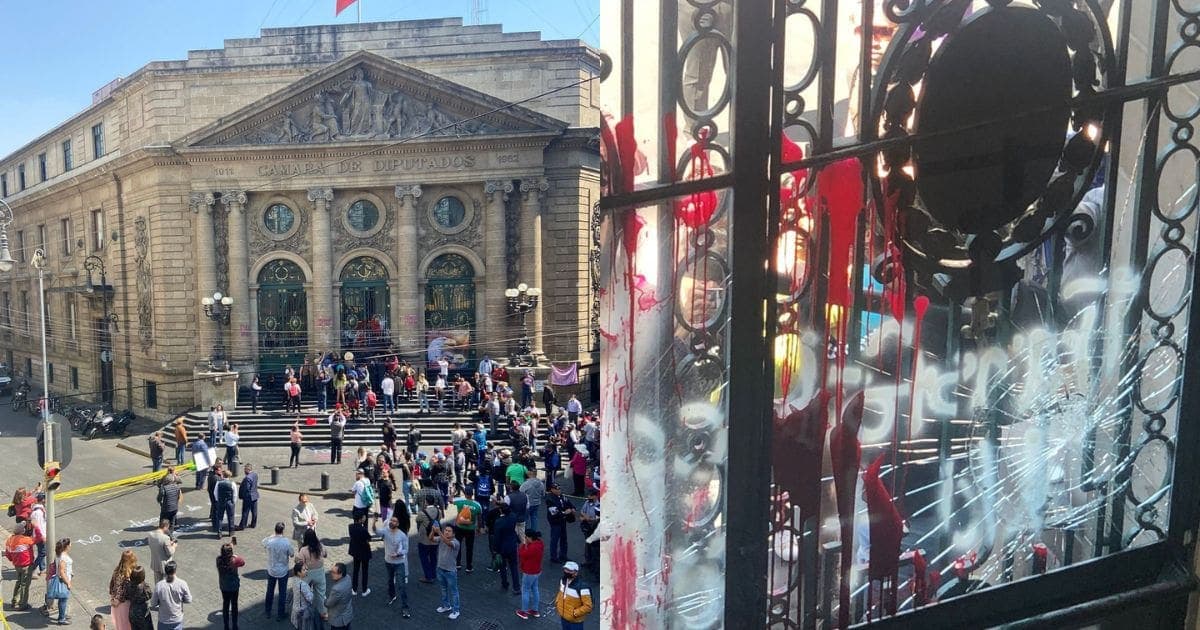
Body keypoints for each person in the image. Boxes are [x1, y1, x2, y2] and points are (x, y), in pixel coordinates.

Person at [376, 514, 411, 617]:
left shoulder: (402, 535)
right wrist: (373, 522)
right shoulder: (386, 531)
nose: (392, 522)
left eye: (394, 521)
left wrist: (398, 554)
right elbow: (376, 531)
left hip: (399, 563)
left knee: (401, 585)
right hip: (388, 562)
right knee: (390, 580)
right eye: (391, 520)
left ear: (398, 524)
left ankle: (405, 608)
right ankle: (392, 596)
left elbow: (406, 550)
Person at [263, 522, 295, 621]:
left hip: (272, 570)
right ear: (283, 531)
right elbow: (292, 554)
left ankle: (267, 611)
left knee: (270, 591)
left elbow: (263, 542)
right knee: (282, 593)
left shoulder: (270, 541)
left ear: (275, 530)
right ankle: (280, 614)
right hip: (283, 571)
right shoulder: (286, 542)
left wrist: (271, 536)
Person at [296, 529, 328, 620]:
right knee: (321, 593)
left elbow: (299, 561)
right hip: (320, 572)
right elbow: (325, 554)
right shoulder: (320, 546)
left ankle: (304, 612)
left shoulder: (303, 549)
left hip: (307, 573)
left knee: (304, 593)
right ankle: (323, 613)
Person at [151, 560, 191, 630]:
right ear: (175, 570)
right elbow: (189, 600)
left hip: (163, 621)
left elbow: (153, 603)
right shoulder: (182, 584)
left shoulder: (159, 585)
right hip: (177, 620)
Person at [434, 524, 462, 620]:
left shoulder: (456, 542)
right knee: (443, 589)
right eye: (445, 530)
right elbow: (431, 539)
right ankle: (446, 606)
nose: (446, 532)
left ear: (453, 534)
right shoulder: (441, 538)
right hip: (440, 568)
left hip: (450, 571)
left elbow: (448, 543)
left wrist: (439, 532)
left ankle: (456, 610)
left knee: (454, 591)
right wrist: (432, 531)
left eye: (449, 531)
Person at [5, 521, 35, 610]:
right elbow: (36, 540)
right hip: (26, 566)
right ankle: (23, 604)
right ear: (22, 531)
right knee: (24, 585)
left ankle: (14, 601)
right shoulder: (25, 539)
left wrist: (14, 559)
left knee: (19, 582)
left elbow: (8, 555)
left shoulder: (9, 540)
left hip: (17, 565)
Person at [451, 486, 482, 573]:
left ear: (465, 494)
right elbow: (480, 518)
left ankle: (458, 564)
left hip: (459, 527)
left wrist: (453, 492)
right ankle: (469, 567)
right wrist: (479, 528)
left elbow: (450, 500)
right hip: (470, 529)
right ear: (472, 494)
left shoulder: (459, 501)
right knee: (469, 548)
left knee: (458, 545)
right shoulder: (477, 505)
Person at [216, 543, 245, 630]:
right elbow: (243, 562)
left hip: (224, 586)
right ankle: (235, 626)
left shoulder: (218, 560)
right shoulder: (234, 560)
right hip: (234, 587)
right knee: (234, 605)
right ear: (231, 552)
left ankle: (226, 626)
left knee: (225, 604)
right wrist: (235, 555)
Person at [555, 561, 593, 629]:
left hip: (575, 622)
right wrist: (557, 603)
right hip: (563, 617)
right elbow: (560, 593)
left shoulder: (583, 587)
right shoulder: (563, 581)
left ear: (576, 572)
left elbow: (588, 606)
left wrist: (574, 613)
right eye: (565, 569)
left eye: (570, 570)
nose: (567, 572)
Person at [494, 503, 522, 595]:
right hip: (512, 545)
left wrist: (496, 549)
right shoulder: (513, 517)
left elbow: (497, 537)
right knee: (514, 566)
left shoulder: (499, 522)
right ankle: (516, 587)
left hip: (502, 547)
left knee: (502, 566)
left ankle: (504, 583)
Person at [516, 530, 544, 619]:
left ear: (529, 537)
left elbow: (521, 554)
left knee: (525, 590)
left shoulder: (531, 548)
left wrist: (523, 545)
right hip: (537, 570)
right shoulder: (540, 543)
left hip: (529, 572)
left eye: (525, 537)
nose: (525, 538)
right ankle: (535, 610)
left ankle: (523, 611)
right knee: (535, 589)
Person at [545, 483, 575, 563]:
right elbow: (554, 512)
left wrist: (572, 508)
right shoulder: (549, 499)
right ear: (552, 490)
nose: (559, 491)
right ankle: (553, 557)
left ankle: (563, 555)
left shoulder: (562, 496)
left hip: (563, 520)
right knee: (554, 539)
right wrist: (565, 512)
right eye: (557, 489)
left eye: (559, 489)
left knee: (564, 539)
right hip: (555, 521)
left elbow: (569, 504)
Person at [415, 498, 442, 583]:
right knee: (433, 556)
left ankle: (428, 576)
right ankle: (433, 574)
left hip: (424, 539)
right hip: (435, 538)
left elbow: (417, 520)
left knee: (424, 557)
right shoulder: (439, 511)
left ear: (426, 502)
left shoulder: (422, 513)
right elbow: (439, 519)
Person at [347, 514, 373, 596]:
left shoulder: (350, 527)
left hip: (355, 551)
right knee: (364, 571)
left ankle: (354, 589)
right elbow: (369, 538)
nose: (365, 518)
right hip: (364, 552)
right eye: (363, 517)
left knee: (356, 570)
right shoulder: (363, 530)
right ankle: (364, 590)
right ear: (360, 519)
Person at [324, 562, 354, 630]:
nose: (331, 574)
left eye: (334, 572)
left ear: (340, 574)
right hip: (347, 614)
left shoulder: (337, 589)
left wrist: (324, 599)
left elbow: (328, 604)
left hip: (338, 620)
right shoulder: (348, 577)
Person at [145, 519, 177, 584]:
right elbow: (170, 552)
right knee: (167, 583)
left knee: (157, 583)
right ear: (165, 526)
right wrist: (174, 546)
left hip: (155, 563)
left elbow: (157, 545)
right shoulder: (165, 538)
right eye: (167, 528)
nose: (167, 530)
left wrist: (168, 544)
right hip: (165, 565)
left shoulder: (150, 535)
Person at [287, 562, 316, 630]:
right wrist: (311, 590)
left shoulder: (294, 580)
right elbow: (310, 598)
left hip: (295, 609)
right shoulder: (303, 585)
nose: (306, 571)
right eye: (304, 570)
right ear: (299, 573)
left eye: (306, 569)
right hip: (303, 611)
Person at [124, 566, 152, 630]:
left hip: (132, 612)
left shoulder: (128, 585)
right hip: (143, 613)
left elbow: (126, 596)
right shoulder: (145, 586)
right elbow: (150, 595)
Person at [580, 489, 601, 569]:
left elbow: (599, 518)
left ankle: (594, 564)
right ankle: (587, 560)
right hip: (587, 526)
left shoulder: (599, 505)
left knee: (595, 547)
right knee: (587, 544)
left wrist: (589, 519)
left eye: (590, 495)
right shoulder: (587, 502)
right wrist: (585, 517)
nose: (589, 497)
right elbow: (582, 511)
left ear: (595, 496)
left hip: (595, 528)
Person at [213, 469, 237, 538]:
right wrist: (233, 502)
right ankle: (231, 531)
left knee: (220, 517)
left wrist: (217, 500)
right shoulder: (232, 483)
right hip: (229, 502)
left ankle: (219, 532)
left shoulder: (218, 483)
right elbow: (235, 494)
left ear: (223, 475)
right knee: (231, 517)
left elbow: (215, 493)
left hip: (221, 501)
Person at [237, 464, 260, 530]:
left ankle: (242, 525)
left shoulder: (247, 478)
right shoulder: (255, 475)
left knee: (245, 512)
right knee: (254, 511)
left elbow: (246, 489)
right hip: (255, 496)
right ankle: (253, 524)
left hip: (248, 497)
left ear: (248, 470)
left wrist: (243, 496)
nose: (244, 471)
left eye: (245, 469)